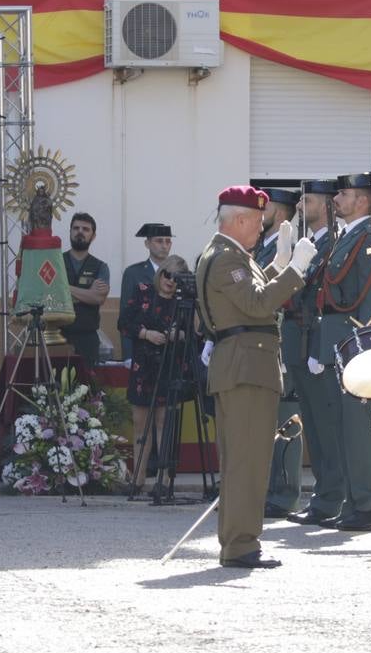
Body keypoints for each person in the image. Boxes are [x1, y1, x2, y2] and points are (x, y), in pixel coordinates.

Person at [195, 186, 313, 568]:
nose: (260, 231)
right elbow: (258, 303)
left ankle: (237, 541)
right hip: (246, 368)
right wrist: (296, 269)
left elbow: (255, 292)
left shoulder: (230, 255)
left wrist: (278, 265)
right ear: (240, 219)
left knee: (243, 460)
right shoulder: (228, 258)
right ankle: (241, 545)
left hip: (244, 366)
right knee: (248, 462)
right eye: (258, 224)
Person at [306, 172, 371, 532]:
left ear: (362, 200)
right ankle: (352, 502)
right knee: (341, 427)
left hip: (353, 345)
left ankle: (367, 505)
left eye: (343, 193)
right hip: (336, 342)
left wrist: (358, 349)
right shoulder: (348, 237)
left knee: (357, 427)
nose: (336, 198)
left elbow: (369, 302)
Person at [282, 180, 342, 524]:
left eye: (309, 199)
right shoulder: (307, 243)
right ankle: (324, 494)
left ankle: (332, 496)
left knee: (326, 424)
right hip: (301, 341)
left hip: (320, 342)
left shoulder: (334, 244)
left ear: (328, 204)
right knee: (314, 425)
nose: (301, 204)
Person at [119, 254, 196, 495]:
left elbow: (194, 335)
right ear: (160, 272)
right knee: (141, 424)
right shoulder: (142, 291)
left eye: (176, 278)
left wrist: (178, 336)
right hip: (143, 367)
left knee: (164, 425)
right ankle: (138, 477)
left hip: (169, 366)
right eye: (167, 274)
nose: (170, 281)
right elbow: (124, 323)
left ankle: (163, 479)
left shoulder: (183, 302)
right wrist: (145, 334)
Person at [252, 186, 303, 517]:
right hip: (263, 342)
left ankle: (285, 494)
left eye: (267, 206)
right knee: (264, 419)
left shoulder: (290, 249)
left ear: (282, 213)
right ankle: (266, 488)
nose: (262, 211)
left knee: (286, 419)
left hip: (283, 340)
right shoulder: (260, 249)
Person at [61, 212, 110, 363]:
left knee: (87, 385)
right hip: (59, 336)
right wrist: (87, 293)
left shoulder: (101, 267)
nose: (80, 232)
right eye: (76, 228)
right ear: (70, 232)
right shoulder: (56, 263)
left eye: (85, 229)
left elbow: (98, 298)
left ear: (93, 236)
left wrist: (64, 287)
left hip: (87, 337)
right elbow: (51, 293)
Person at [120, 224, 173, 362]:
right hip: (141, 350)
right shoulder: (133, 273)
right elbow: (125, 318)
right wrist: (128, 356)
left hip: (170, 352)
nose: (164, 245)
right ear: (147, 243)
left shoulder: (178, 274)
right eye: (159, 241)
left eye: (168, 241)